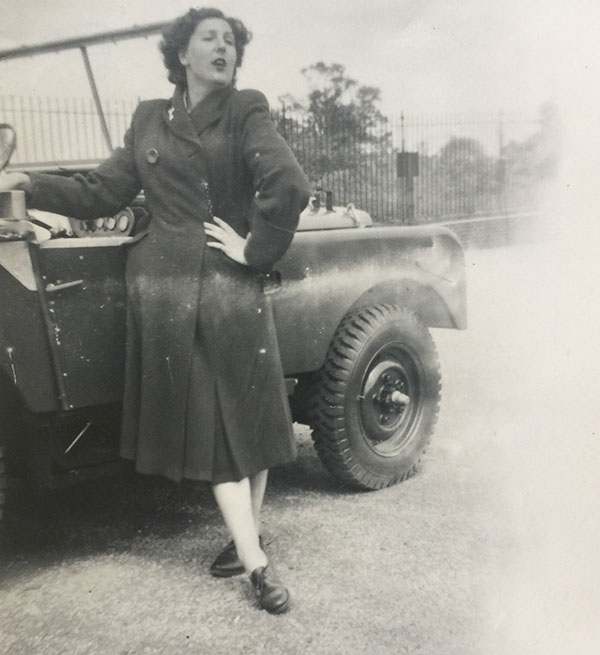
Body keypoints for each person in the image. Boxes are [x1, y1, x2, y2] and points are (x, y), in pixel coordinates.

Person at [0, 7, 310, 614]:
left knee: (251, 415)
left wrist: (255, 247)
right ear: (182, 54)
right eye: (210, 39)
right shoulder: (149, 118)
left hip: (228, 282)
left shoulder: (246, 107)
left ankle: (243, 540)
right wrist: (29, 185)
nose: (224, 48)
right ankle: (256, 564)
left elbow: (288, 182)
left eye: (231, 41)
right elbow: (103, 191)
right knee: (221, 427)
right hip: (168, 292)